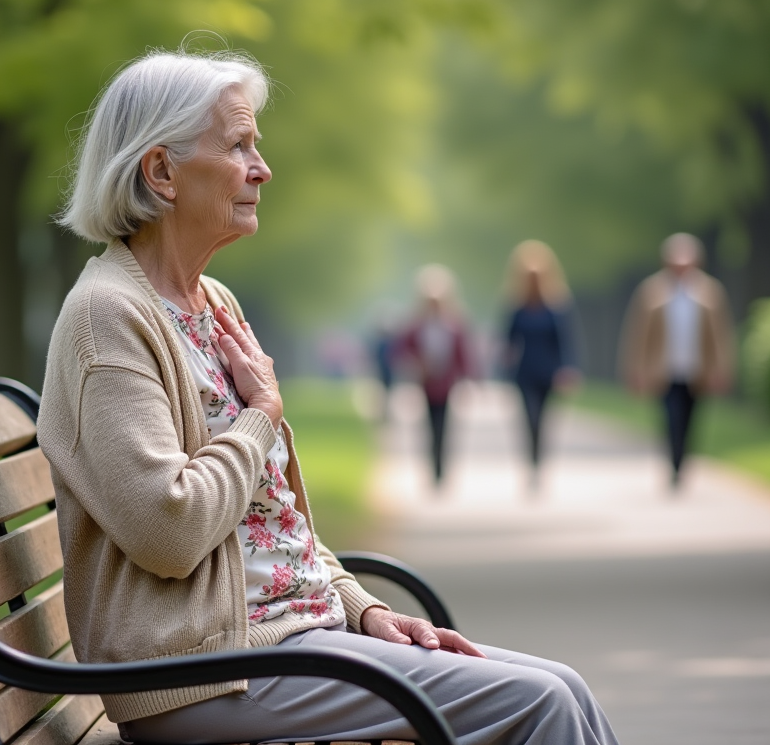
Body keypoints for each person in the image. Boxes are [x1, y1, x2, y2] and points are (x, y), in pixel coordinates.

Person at [37, 48, 618, 745]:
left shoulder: (210, 302)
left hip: (286, 642)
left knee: (566, 689)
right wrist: (260, 419)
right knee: (538, 706)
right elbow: (169, 530)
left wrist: (363, 607)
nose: (262, 167)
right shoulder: (108, 316)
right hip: (206, 671)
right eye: (240, 146)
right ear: (161, 172)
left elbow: (271, 521)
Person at [619, 233, 735, 492]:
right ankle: (673, 465)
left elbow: (721, 335)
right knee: (671, 418)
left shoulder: (709, 292)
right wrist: (635, 368)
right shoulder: (652, 291)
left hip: (697, 370)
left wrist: (722, 369)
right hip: (664, 370)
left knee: (691, 421)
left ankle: (682, 464)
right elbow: (638, 333)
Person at [502, 241, 580, 492]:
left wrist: (568, 369)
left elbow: (566, 341)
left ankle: (539, 464)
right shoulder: (517, 307)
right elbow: (508, 340)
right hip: (524, 372)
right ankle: (531, 463)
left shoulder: (557, 306)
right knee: (529, 418)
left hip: (548, 372)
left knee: (544, 420)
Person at [392, 265, 475, 489]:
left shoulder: (454, 326)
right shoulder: (416, 327)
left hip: (447, 384)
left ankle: (441, 467)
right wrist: (417, 364)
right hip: (426, 383)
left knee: (444, 425)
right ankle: (432, 467)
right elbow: (402, 351)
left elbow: (463, 355)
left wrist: (468, 380)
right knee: (429, 426)